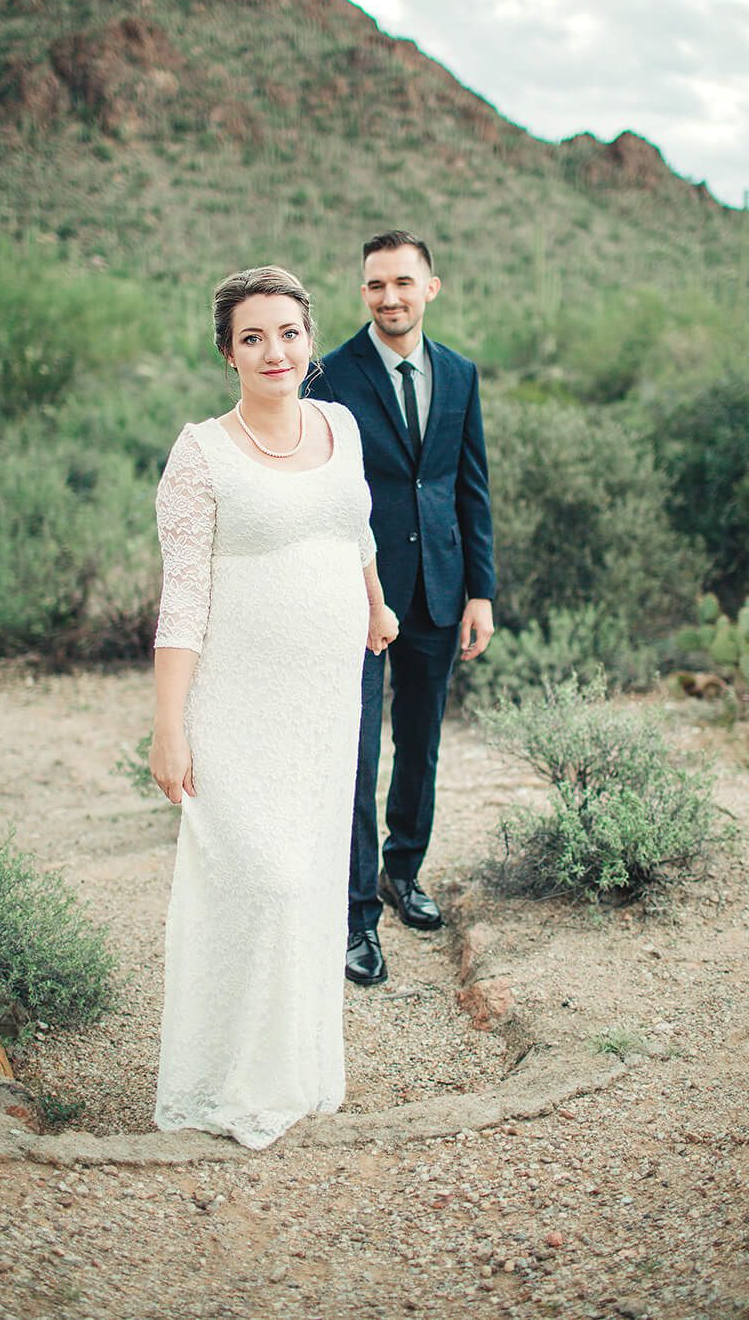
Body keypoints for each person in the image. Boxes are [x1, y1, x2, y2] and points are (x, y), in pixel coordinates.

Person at [149, 266, 397, 1148]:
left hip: (328, 694)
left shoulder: (342, 425)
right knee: (257, 879)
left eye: (288, 333)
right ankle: (224, 1080)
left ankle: (293, 1073)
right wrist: (170, 725)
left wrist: (374, 602)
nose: (274, 351)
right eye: (252, 337)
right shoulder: (200, 454)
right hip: (236, 698)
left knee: (312, 883)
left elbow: (357, 525)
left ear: (310, 340)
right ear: (227, 354)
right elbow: (181, 600)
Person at [306, 230, 495, 987]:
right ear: (363, 292)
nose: (390, 297)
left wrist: (480, 589)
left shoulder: (459, 373)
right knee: (356, 754)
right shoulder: (329, 375)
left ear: (431, 287)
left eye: (403, 283)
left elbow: (468, 485)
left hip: (440, 591)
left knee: (419, 745)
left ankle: (402, 871)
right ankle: (356, 917)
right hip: (353, 593)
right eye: (376, 284)